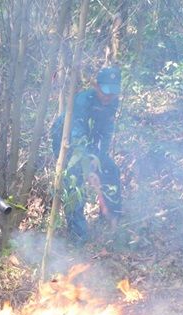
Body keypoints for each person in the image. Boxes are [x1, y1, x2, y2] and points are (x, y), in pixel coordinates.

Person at [50, 67, 122, 244]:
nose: (109, 96)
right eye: (106, 91)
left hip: (90, 143)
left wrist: (98, 160)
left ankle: (112, 218)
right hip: (67, 142)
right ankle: (78, 235)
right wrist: (87, 166)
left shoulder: (112, 103)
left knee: (111, 170)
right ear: (96, 86)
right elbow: (76, 135)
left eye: (114, 91)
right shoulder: (82, 101)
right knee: (74, 182)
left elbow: (105, 134)